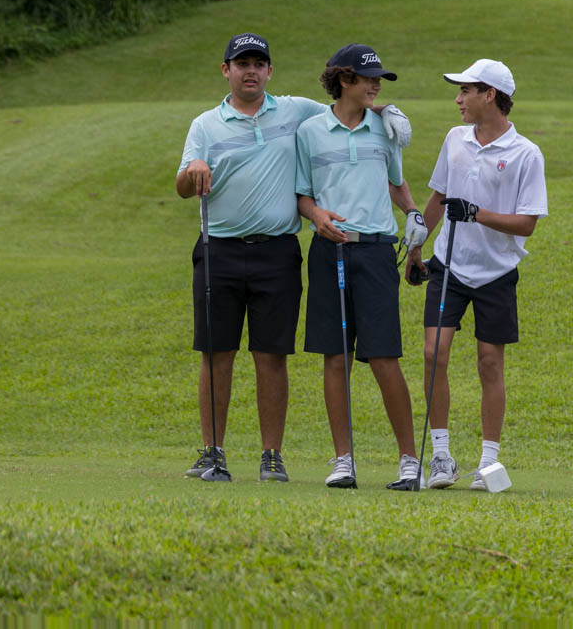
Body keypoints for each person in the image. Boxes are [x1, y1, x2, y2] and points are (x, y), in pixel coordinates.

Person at [176, 33, 412, 483]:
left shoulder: (295, 112)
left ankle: (272, 455)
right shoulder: (205, 125)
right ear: (226, 70)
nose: (250, 71)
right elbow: (183, 187)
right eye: (241, 63)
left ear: (269, 71)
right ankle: (212, 453)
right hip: (219, 249)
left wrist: (387, 111)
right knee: (216, 353)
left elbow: (346, 109)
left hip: (278, 250)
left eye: (258, 64)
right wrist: (194, 171)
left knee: (271, 355)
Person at [405, 59, 548, 491]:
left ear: (490, 95)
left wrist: (477, 214)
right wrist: (417, 246)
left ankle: (488, 462)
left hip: (496, 272)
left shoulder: (526, 153)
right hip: (449, 265)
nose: (458, 99)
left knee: (489, 363)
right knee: (433, 354)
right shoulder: (455, 139)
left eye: (466, 91)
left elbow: (527, 224)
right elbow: (439, 197)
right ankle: (442, 456)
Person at [295, 43, 429, 491]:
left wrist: (413, 214)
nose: (376, 86)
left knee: (385, 358)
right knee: (336, 358)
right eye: (369, 78)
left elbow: (396, 182)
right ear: (344, 79)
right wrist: (316, 215)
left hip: (376, 253)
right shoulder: (310, 132)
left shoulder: (385, 128)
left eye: (379, 80)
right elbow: (302, 194)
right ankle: (343, 461)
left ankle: (409, 461)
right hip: (329, 251)